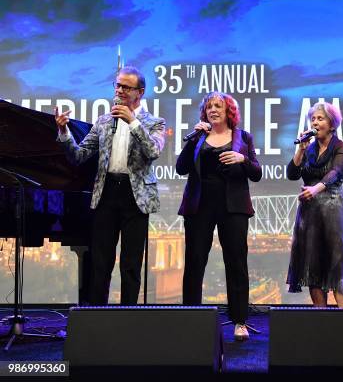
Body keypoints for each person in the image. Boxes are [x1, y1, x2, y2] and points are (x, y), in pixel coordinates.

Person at [55, 66, 166, 305]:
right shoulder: (104, 121)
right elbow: (80, 155)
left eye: (126, 87)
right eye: (118, 85)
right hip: (106, 193)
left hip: (135, 196)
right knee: (100, 261)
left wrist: (133, 122)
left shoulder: (154, 122)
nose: (120, 90)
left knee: (130, 263)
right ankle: (98, 316)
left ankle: (128, 317)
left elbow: (153, 151)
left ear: (140, 92)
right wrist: (64, 132)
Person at [176, 91, 261, 341]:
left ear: (228, 111)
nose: (213, 110)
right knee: (195, 261)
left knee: (236, 263)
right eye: (209, 106)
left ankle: (240, 321)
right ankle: (191, 316)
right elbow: (181, 168)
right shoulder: (199, 137)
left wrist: (242, 158)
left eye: (218, 106)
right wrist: (192, 141)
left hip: (232, 206)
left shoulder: (243, 137)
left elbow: (256, 173)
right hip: (199, 205)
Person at [286, 102, 343, 308]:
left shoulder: (342, 148)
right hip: (310, 215)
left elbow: (336, 172)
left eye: (320, 119)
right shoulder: (309, 149)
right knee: (313, 268)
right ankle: (321, 319)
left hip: (333, 213)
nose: (315, 122)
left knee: (337, 266)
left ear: (332, 124)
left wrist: (315, 189)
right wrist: (300, 150)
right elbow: (292, 174)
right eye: (313, 119)